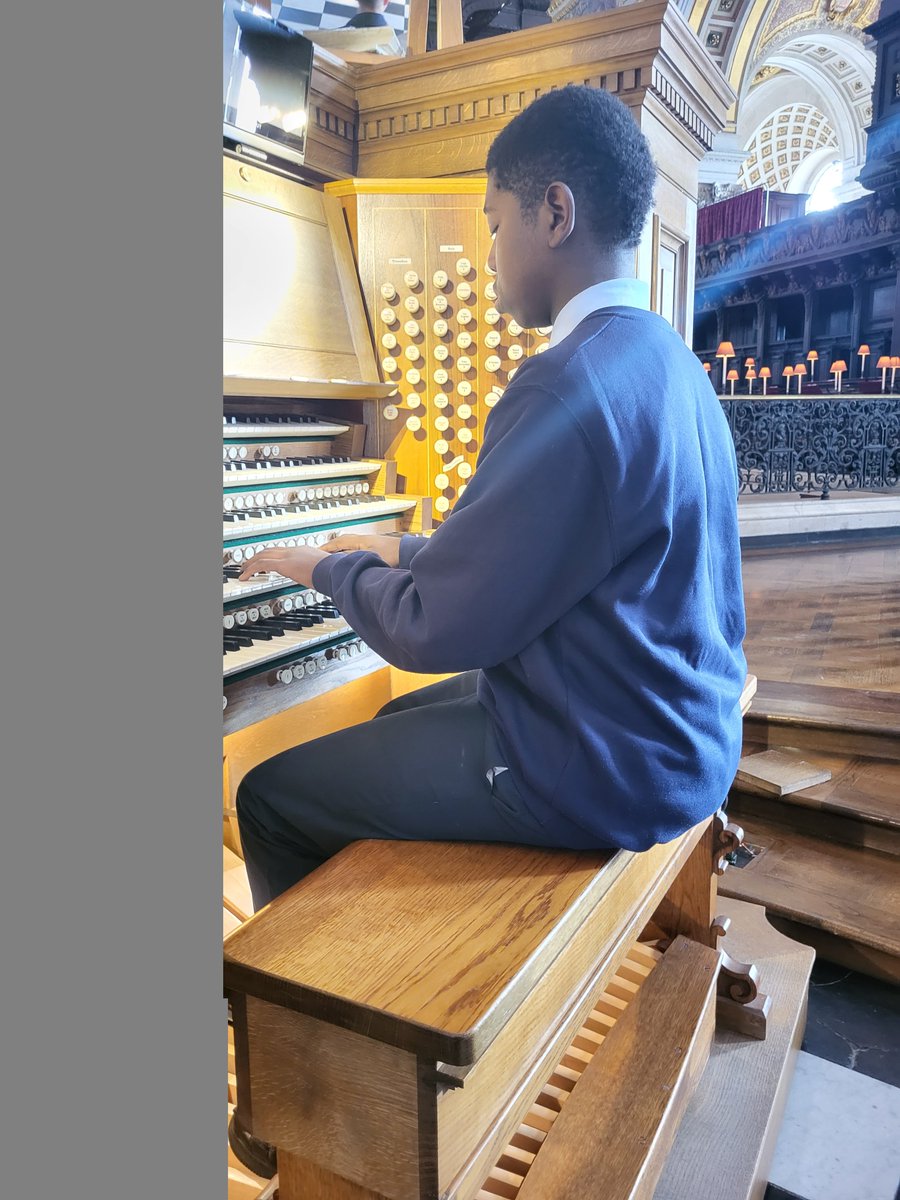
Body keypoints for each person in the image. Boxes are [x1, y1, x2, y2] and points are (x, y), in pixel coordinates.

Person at [228, 79, 748, 1179]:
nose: (494, 245)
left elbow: (429, 627)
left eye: (498, 221)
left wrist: (330, 561)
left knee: (270, 793)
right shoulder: (667, 366)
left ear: (554, 214)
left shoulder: (564, 387)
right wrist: (394, 548)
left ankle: (310, 1084)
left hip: (601, 764)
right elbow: (526, 553)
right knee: (410, 722)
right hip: (669, 728)